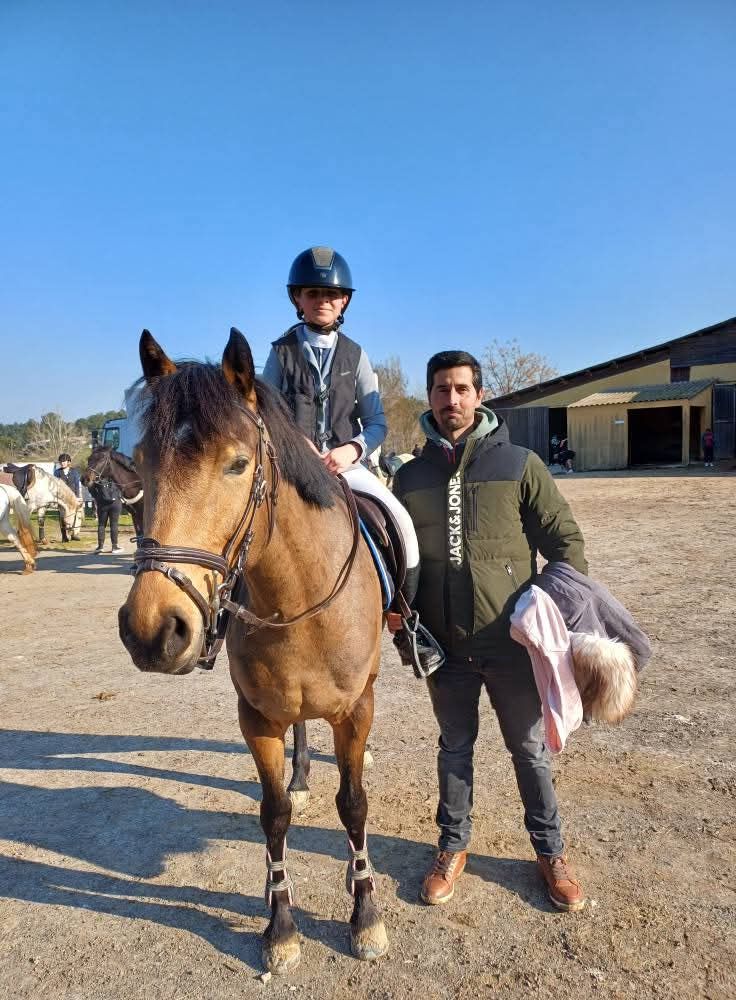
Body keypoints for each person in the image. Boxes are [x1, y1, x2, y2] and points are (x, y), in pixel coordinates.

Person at [392, 350, 589, 912]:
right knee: (454, 747)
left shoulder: (521, 464)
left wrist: (541, 609)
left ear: (479, 395)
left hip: (509, 645)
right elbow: (392, 556)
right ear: (429, 398)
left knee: (529, 751)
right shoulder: (408, 478)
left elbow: (566, 547)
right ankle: (452, 848)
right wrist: (398, 611)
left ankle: (551, 854)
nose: (450, 400)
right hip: (443, 646)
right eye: (440, 390)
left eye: (460, 389)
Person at [261, 246, 440, 675]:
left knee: (401, 524)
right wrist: (294, 443)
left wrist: (352, 450)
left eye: (332, 294)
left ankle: (405, 626)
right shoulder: (279, 352)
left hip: (347, 464)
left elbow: (376, 420)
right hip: (289, 465)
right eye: (313, 292)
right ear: (297, 299)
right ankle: (220, 623)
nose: (323, 299)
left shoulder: (357, 355)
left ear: (344, 301)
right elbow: (265, 409)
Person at [87, 474, 124, 554]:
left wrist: (97, 497)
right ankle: (114, 546)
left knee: (101, 525)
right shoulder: (116, 475)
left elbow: (90, 487)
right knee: (114, 524)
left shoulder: (98, 478)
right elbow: (123, 487)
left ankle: (100, 547)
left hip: (102, 504)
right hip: (116, 503)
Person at [54, 453, 83, 541]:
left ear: (68, 462)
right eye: (61, 461)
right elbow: (55, 485)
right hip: (62, 498)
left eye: (64, 461)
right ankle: (64, 535)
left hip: (73, 497)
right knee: (62, 516)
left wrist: (78, 497)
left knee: (76, 514)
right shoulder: (57, 472)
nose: (62, 463)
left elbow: (77, 485)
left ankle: (75, 534)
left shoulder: (74, 471)